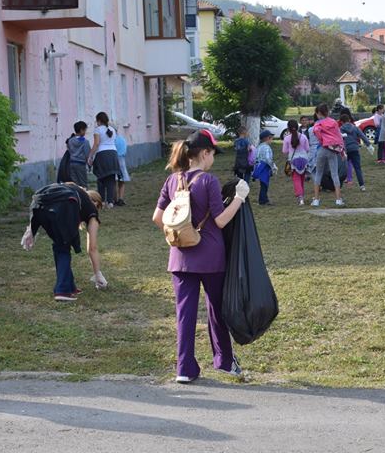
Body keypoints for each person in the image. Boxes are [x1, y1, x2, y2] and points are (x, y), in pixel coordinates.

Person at [152, 130, 250, 384]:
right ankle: (225, 361)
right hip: (211, 257)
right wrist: (239, 198)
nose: (213, 159)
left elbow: (158, 218)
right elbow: (220, 220)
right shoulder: (208, 181)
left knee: (184, 314)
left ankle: (184, 368)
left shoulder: (172, 180)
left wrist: (180, 234)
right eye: (213, 154)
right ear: (205, 153)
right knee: (216, 309)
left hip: (180, 257)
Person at [21, 182, 107, 300]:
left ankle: (70, 286)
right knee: (63, 247)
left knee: (59, 245)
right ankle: (63, 291)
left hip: (38, 205)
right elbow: (92, 248)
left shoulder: (72, 190)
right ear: (96, 203)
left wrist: (31, 227)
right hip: (62, 207)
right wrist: (98, 274)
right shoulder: (91, 209)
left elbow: (49, 195)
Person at [311, 103, 345, 207]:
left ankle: (316, 200)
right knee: (335, 174)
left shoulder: (317, 124)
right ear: (327, 112)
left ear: (318, 113)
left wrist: (322, 140)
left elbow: (316, 132)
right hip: (332, 150)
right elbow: (339, 136)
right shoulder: (333, 122)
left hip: (322, 149)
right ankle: (338, 199)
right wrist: (341, 150)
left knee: (318, 173)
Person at [87, 112, 118, 208]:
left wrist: (90, 156)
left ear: (99, 121)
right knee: (111, 179)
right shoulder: (112, 129)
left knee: (101, 178)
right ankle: (110, 202)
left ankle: (102, 201)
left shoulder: (98, 130)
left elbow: (96, 144)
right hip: (113, 154)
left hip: (102, 154)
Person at [339, 113, 370, 191]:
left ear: (341, 122)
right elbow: (362, 136)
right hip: (355, 149)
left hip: (345, 150)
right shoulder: (355, 128)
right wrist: (368, 144)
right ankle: (362, 185)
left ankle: (338, 186)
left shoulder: (340, 129)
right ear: (349, 120)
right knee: (357, 168)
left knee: (342, 168)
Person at [282, 119, 310, 205]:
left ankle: (300, 198)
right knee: (302, 179)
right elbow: (307, 149)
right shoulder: (303, 137)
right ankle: (302, 196)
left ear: (288, 128)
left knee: (296, 179)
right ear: (298, 127)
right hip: (304, 159)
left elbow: (284, 151)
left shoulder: (287, 138)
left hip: (293, 160)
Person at [252, 130, 276, 206]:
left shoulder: (259, 147)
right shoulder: (266, 147)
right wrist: (273, 166)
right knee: (265, 184)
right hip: (265, 167)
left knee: (263, 184)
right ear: (267, 138)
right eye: (271, 138)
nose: (271, 140)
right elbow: (268, 159)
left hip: (259, 167)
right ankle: (263, 200)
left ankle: (263, 199)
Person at [66, 121, 91, 188]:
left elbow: (69, 150)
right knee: (83, 184)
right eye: (85, 130)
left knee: (75, 184)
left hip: (72, 163)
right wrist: (89, 165)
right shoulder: (85, 142)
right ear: (81, 130)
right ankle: (84, 194)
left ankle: (76, 194)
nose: (85, 132)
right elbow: (87, 154)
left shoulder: (70, 140)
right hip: (81, 164)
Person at [114, 128, 129, 206]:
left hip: (113, 160)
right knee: (122, 181)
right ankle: (121, 199)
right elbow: (124, 151)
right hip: (122, 161)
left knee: (114, 181)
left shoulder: (111, 141)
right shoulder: (122, 139)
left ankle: (114, 199)